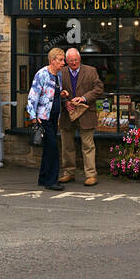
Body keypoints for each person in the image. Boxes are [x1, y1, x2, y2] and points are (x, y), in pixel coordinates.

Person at [58, 47, 105, 186]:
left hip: (86, 113)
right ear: (66, 61)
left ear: (80, 59)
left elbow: (98, 89)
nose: (73, 63)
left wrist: (84, 98)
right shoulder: (61, 72)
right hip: (67, 114)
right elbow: (55, 91)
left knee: (88, 146)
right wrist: (65, 102)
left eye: (76, 60)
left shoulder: (91, 71)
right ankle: (68, 173)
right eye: (71, 61)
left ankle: (91, 175)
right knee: (67, 146)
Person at [27, 47, 66, 191]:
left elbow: (51, 94)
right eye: (61, 60)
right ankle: (51, 181)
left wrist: (61, 94)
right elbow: (33, 96)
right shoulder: (42, 74)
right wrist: (33, 117)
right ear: (52, 60)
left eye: (63, 60)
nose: (63, 63)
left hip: (54, 116)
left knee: (48, 149)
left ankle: (43, 178)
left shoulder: (58, 75)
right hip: (43, 118)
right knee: (53, 149)